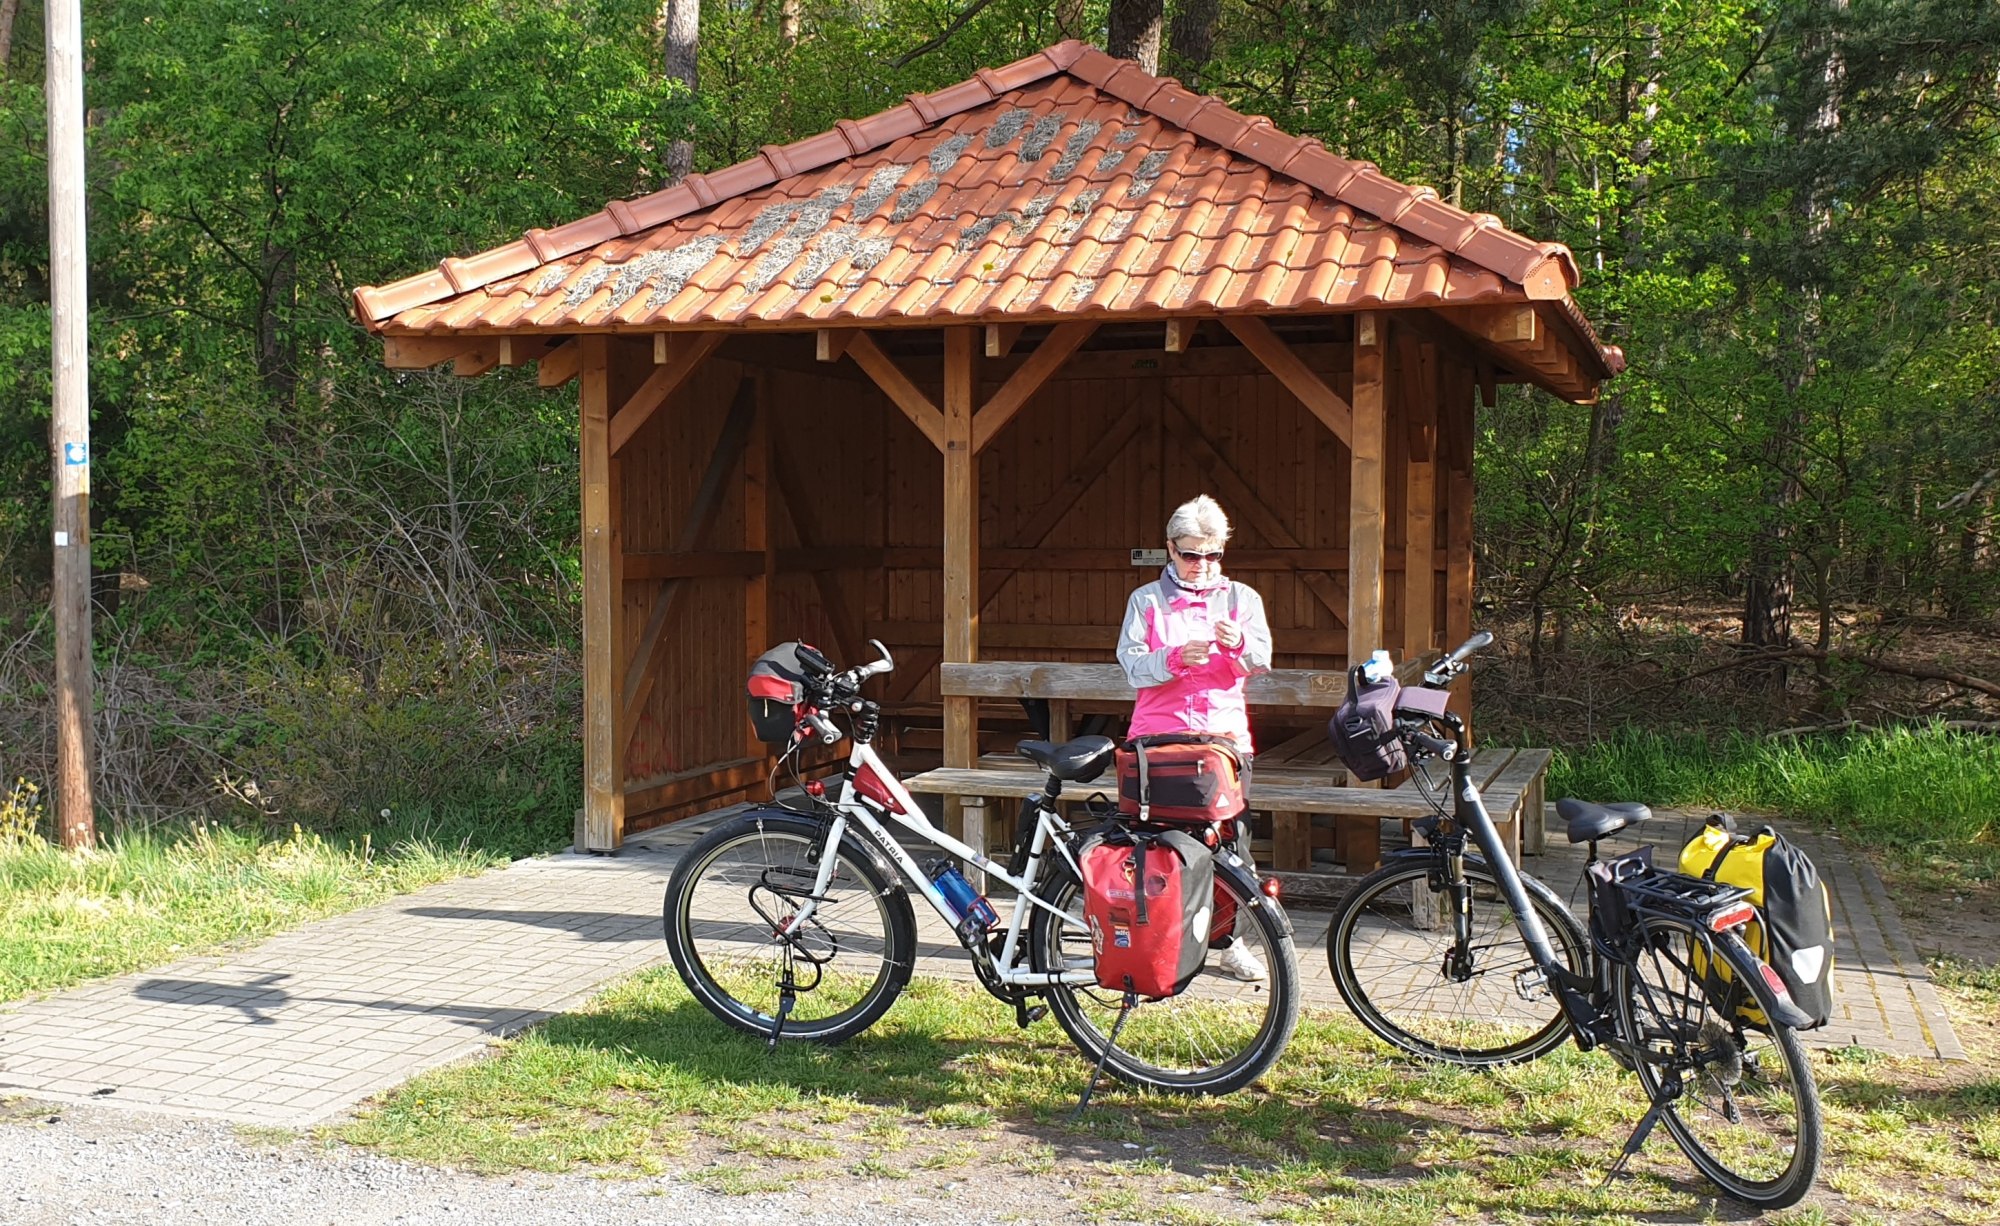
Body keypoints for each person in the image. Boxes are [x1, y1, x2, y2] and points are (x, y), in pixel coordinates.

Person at [1116, 495, 1273, 981]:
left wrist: (1239, 644)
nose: (1202, 565)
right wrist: (1176, 656)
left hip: (1223, 742)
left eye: (1212, 554)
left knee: (1230, 845)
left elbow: (1262, 661)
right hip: (1158, 742)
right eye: (1190, 554)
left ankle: (1229, 942)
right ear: (1169, 548)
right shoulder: (1145, 600)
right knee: (1155, 846)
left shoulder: (1242, 599)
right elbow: (1132, 667)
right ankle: (1154, 941)